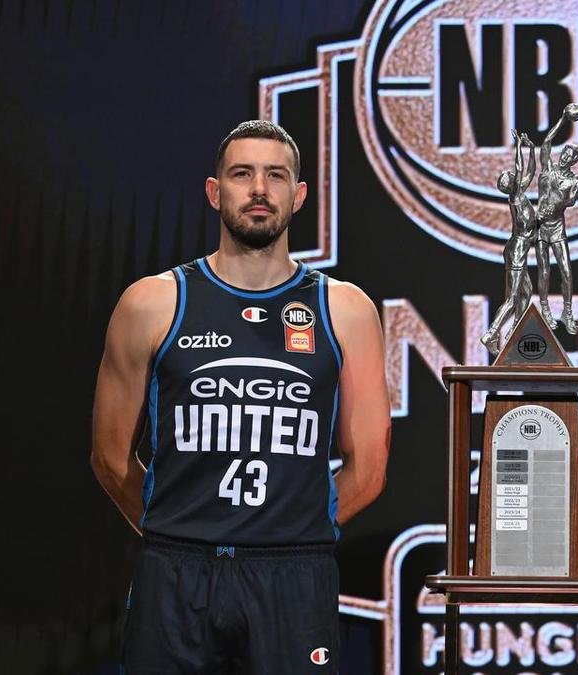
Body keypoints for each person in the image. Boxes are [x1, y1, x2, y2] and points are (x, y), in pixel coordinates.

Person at [91, 120, 390, 672]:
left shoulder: (346, 310)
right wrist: (178, 531)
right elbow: (110, 457)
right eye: (242, 174)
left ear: (299, 195)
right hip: (175, 571)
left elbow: (369, 468)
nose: (258, 189)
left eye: (275, 176)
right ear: (214, 191)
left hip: (293, 576)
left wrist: (290, 530)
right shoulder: (151, 303)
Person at [482, 130, 537, 356]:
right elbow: (520, 168)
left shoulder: (520, 194)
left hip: (519, 250)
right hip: (517, 250)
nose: (514, 174)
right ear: (510, 184)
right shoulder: (514, 197)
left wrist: (531, 149)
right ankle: (492, 333)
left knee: (527, 292)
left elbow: (530, 172)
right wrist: (518, 146)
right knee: (513, 297)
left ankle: (515, 334)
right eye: (510, 176)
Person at [535, 104, 578, 334]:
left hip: (556, 226)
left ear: (574, 160)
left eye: (571, 156)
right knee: (544, 270)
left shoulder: (575, 181)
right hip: (540, 227)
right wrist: (563, 119)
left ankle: (567, 311)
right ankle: (545, 309)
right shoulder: (548, 169)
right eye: (565, 153)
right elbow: (546, 142)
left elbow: (570, 202)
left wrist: (554, 204)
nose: (566, 157)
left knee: (566, 270)